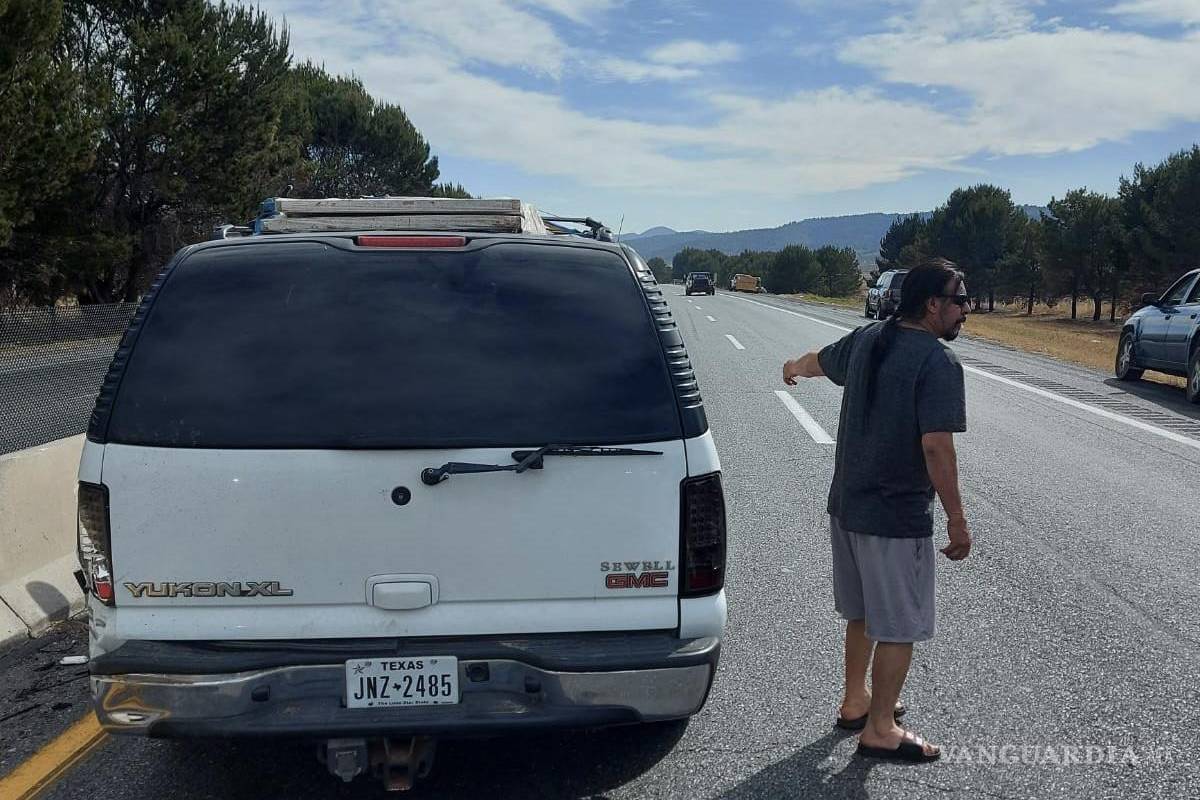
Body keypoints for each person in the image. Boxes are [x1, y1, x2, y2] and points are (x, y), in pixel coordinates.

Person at [781, 258, 972, 763]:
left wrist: (791, 368)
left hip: (846, 507)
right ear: (933, 305)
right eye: (960, 301)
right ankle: (880, 728)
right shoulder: (937, 363)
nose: (964, 312)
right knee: (899, 626)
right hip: (893, 517)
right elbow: (936, 448)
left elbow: (818, 361)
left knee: (863, 614)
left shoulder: (869, 338)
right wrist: (956, 518)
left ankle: (856, 701)